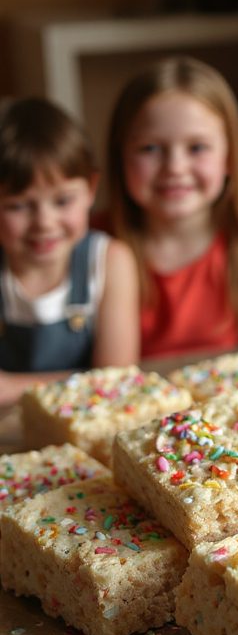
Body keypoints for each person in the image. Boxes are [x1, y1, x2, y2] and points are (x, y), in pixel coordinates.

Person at [106, 56, 238, 360]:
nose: (175, 167)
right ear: (119, 156)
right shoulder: (95, 246)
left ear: (229, 157)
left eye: (197, 148)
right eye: (150, 148)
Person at [0, 97, 140, 407]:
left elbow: (118, 379)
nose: (44, 222)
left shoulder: (110, 262)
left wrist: (12, 387)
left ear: (91, 189)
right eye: (18, 206)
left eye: (62, 201)